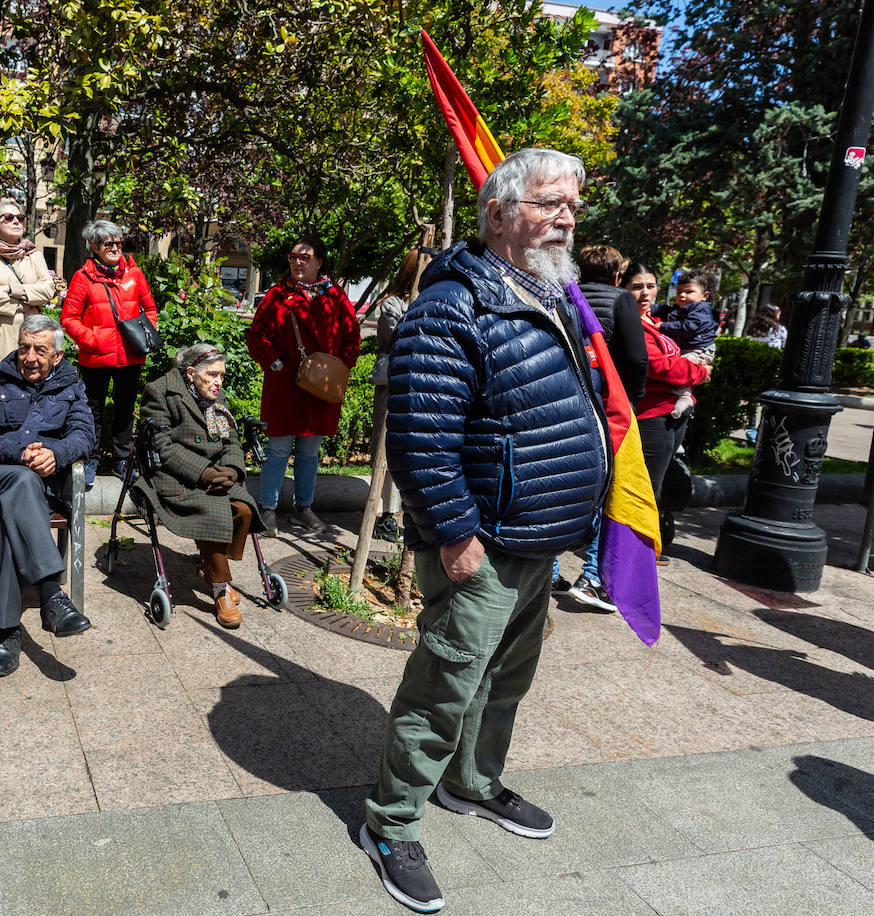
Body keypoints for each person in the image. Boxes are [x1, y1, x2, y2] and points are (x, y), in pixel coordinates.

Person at [361, 149, 609, 914]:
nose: (566, 216)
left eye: (572, 203)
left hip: (541, 532)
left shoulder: (552, 292)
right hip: (484, 537)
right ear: (498, 215)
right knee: (446, 684)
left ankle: (470, 784)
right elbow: (421, 438)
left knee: (506, 679)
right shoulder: (453, 304)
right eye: (547, 203)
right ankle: (392, 822)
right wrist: (454, 533)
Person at [0, 315, 95, 677]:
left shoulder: (72, 385)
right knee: (19, 483)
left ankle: (6, 634)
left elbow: (84, 434)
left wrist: (58, 454)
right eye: (24, 347)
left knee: (11, 519)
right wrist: (24, 452)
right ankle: (51, 593)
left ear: (58, 354)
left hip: (39, 484)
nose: (30, 356)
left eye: (40, 349)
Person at [135, 343, 267, 629]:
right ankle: (221, 589)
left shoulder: (214, 397)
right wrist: (204, 473)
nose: (219, 382)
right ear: (192, 372)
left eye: (222, 376)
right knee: (215, 513)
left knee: (244, 510)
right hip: (176, 476)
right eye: (214, 375)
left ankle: (211, 565)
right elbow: (162, 447)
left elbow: (231, 439)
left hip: (217, 473)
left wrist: (231, 469)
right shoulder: (160, 391)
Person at [246, 236, 360, 535]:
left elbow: (352, 336)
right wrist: (275, 364)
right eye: (293, 257)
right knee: (278, 448)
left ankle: (303, 509)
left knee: (310, 451)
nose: (297, 262)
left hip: (322, 388)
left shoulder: (335, 296)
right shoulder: (278, 295)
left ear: (319, 261)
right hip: (285, 386)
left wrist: (340, 367)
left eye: (304, 257)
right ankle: (267, 509)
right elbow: (257, 336)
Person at [560, 244, 651, 612]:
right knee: (609, 488)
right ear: (617, 276)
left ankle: (549, 570)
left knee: (562, 480)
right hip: (608, 406)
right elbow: (635, 358)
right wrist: (633, 398)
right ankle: (593, 576)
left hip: (567, 400)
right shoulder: (621, 301)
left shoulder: (563, 294)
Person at [60, 219, 159, 485]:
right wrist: (91, 340)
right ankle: (91, 459)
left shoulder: (134, 275)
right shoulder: (83, 277)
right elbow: (68, 317)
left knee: (126, 409)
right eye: (108, 243)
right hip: (96, 356)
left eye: (118, 241)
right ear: (95, 247)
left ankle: (122, 460)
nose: (115, 247)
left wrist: (146, 333)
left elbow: (150, 309)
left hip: (130, 355)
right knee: (92, 409)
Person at [624, 262, 710, 565]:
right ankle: (636, 554)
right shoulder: (633, 325)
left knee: (655, 484)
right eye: (637, 286)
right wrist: (699, 372)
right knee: (647, 487)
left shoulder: (660, 320)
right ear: (624, 289)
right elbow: (661, 368)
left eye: (650, 285)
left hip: (670, 415)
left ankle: (645, 548)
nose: (645, 292)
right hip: (652, 416)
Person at [369, 245, 432, 542]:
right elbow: (399, 340)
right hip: (395, 385)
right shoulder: (392, 305)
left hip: (425, 389)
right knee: (385, 448)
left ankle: (408, 513)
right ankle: (384, 514)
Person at [0, 198, 61, 387]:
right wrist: (29, 301)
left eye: (20, 218)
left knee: (30, 394)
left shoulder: (33, 254)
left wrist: (10, 289)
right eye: (8, 217)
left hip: (31, 336)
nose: (16, 221)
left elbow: (48, 289)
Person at [654, 270, 718, 418]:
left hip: (700, 350)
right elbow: (667, 310)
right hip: (692, 348)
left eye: (689, 292)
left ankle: (684, 398)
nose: (682, 295)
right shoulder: (683, 308)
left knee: (683, 367)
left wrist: (663, 326)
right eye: (679, 292)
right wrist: (653, 308)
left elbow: (689, 326)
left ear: (705, 296)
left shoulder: (701, 311)